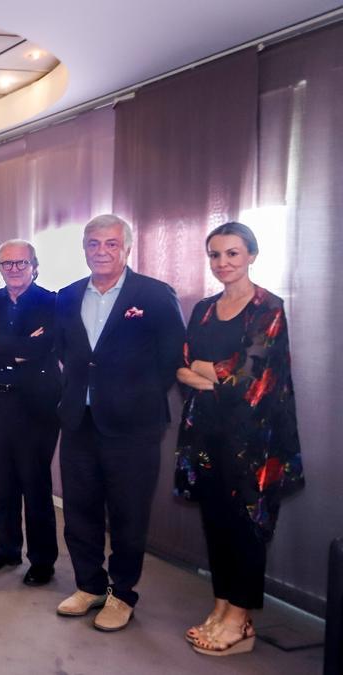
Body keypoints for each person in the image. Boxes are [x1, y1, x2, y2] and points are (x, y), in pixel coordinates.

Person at [174, 222, 304, 656]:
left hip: (255, 444)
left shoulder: (269, 307)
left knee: (247, 528)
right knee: (217, 524)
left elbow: (251, 378)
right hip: (206, 437)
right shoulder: (204, 309)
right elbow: (182, 366)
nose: (223, 263)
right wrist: (214, 372)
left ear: (251, 255)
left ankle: (240, 620)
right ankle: (220, 606)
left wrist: (207, 374)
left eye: (232, 253)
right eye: (215, 255)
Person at [53, 214, 185, 631]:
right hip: (79, 420)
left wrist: (135, 397)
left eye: (111, 244)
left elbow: (171, 359)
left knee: (128, 515)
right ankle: (89, 585)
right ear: (84, 249)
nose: (102, 251)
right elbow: (65, 351)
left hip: (133, 427)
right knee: (79, 510)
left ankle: (122, 593)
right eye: (94, 244)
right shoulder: (68, 296)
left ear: (127, 248)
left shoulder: (154, 295)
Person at [0, 240, 61, 586]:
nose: (14, 270)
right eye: (7, 264)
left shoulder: (52, 302)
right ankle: (7, 548)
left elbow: (43, 348)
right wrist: (14, 349)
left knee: (35, 483)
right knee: (0, 482)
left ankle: (42, 560)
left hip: (35, 407)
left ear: (35, 265)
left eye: (21, 263)